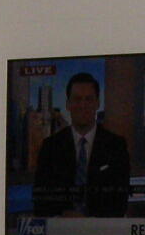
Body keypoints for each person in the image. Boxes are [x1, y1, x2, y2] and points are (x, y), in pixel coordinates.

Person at [31, 71, 130, 216]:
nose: (82, 105)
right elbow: (40, 202)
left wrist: (87, 219)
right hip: (61, 231)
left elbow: (120, 202)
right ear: (68, 104)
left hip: (102, 232)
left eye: (88, 99)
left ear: (97, 103)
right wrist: (63, 215)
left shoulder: (116, 146)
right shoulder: (50, 147)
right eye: (77, 99)